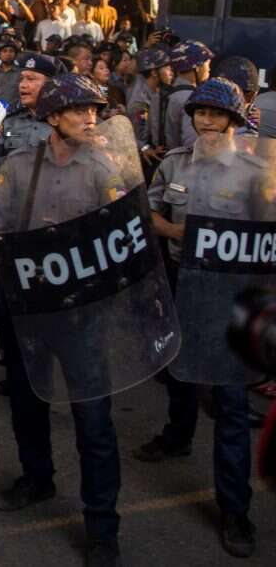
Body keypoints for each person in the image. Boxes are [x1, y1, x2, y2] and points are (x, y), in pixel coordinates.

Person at [0, 74, 124, 567]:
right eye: (79, 110)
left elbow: (122, 231)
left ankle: (103, 527)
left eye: (94, 111)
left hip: (84, 316)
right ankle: (37, 479)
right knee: (27, 404)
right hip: (30, 312)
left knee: (95, 422)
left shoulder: (105, 167)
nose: (90, 118)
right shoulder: (19, 166)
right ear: (53, 118)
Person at [140, 77, 263, 558]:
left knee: (230, 401)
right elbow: (150, 211)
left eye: (216, 113)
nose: (207, 122)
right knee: (177, 371)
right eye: (200, 114)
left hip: (232, 295)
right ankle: (176, 435)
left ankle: (236, 510)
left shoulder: (257, 171)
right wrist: (175, 230)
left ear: (234, 119)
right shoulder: (174, 165)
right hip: (180, 283)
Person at [127, 47, 174, 167]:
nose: (171, 73)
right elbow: (135, 135)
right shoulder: (140, 101)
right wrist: (145, 147)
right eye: (167, 68)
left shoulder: (156, 92)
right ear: (154, 73)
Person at [163, 40, 213, 150]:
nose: (209, 69)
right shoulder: (191, 99)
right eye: (207, 64)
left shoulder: (169, 91)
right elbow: (192, 145)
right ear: (197, 67)